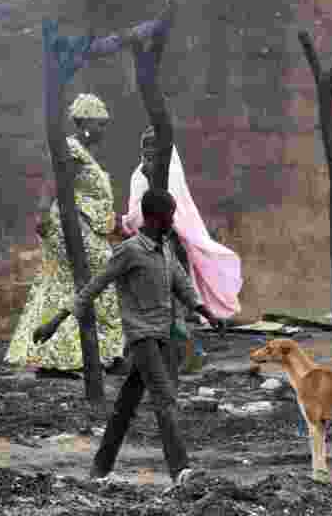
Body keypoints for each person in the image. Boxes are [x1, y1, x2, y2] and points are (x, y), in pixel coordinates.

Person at [36, 189, 213, 486]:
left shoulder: (165, 247)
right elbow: (94, 286)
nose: (173, 220)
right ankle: (181, 471)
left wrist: (206, 310)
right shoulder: (129, 251)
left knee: (126, 406)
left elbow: (181, 282)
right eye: (170, 215)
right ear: (156, 218)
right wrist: (56, 320)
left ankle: (101, 468)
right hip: (142, 337)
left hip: (163, 336)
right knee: (165, 398)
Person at [4, 93, 124, 377]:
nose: (103, 130)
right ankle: (83, 355)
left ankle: (92, 354)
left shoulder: (82, 151)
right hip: (69, 226)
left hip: (85, 225)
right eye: (100, 124)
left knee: (74, 285)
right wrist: (43, 212)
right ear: (84, 123)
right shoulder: (71, 148)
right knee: (95, 279)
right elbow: (54, 182)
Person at [121, 126, 243, 377]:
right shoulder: (139, 175)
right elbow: (136, 214)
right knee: (153, 305)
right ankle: (166, 357)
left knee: (169, 304)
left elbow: (170, 215)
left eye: (153, 149)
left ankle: (188, 355)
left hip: (168, 245)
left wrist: (134, 222)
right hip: (145, 246)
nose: (148, 154)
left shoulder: (168, 174)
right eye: (145, 148)